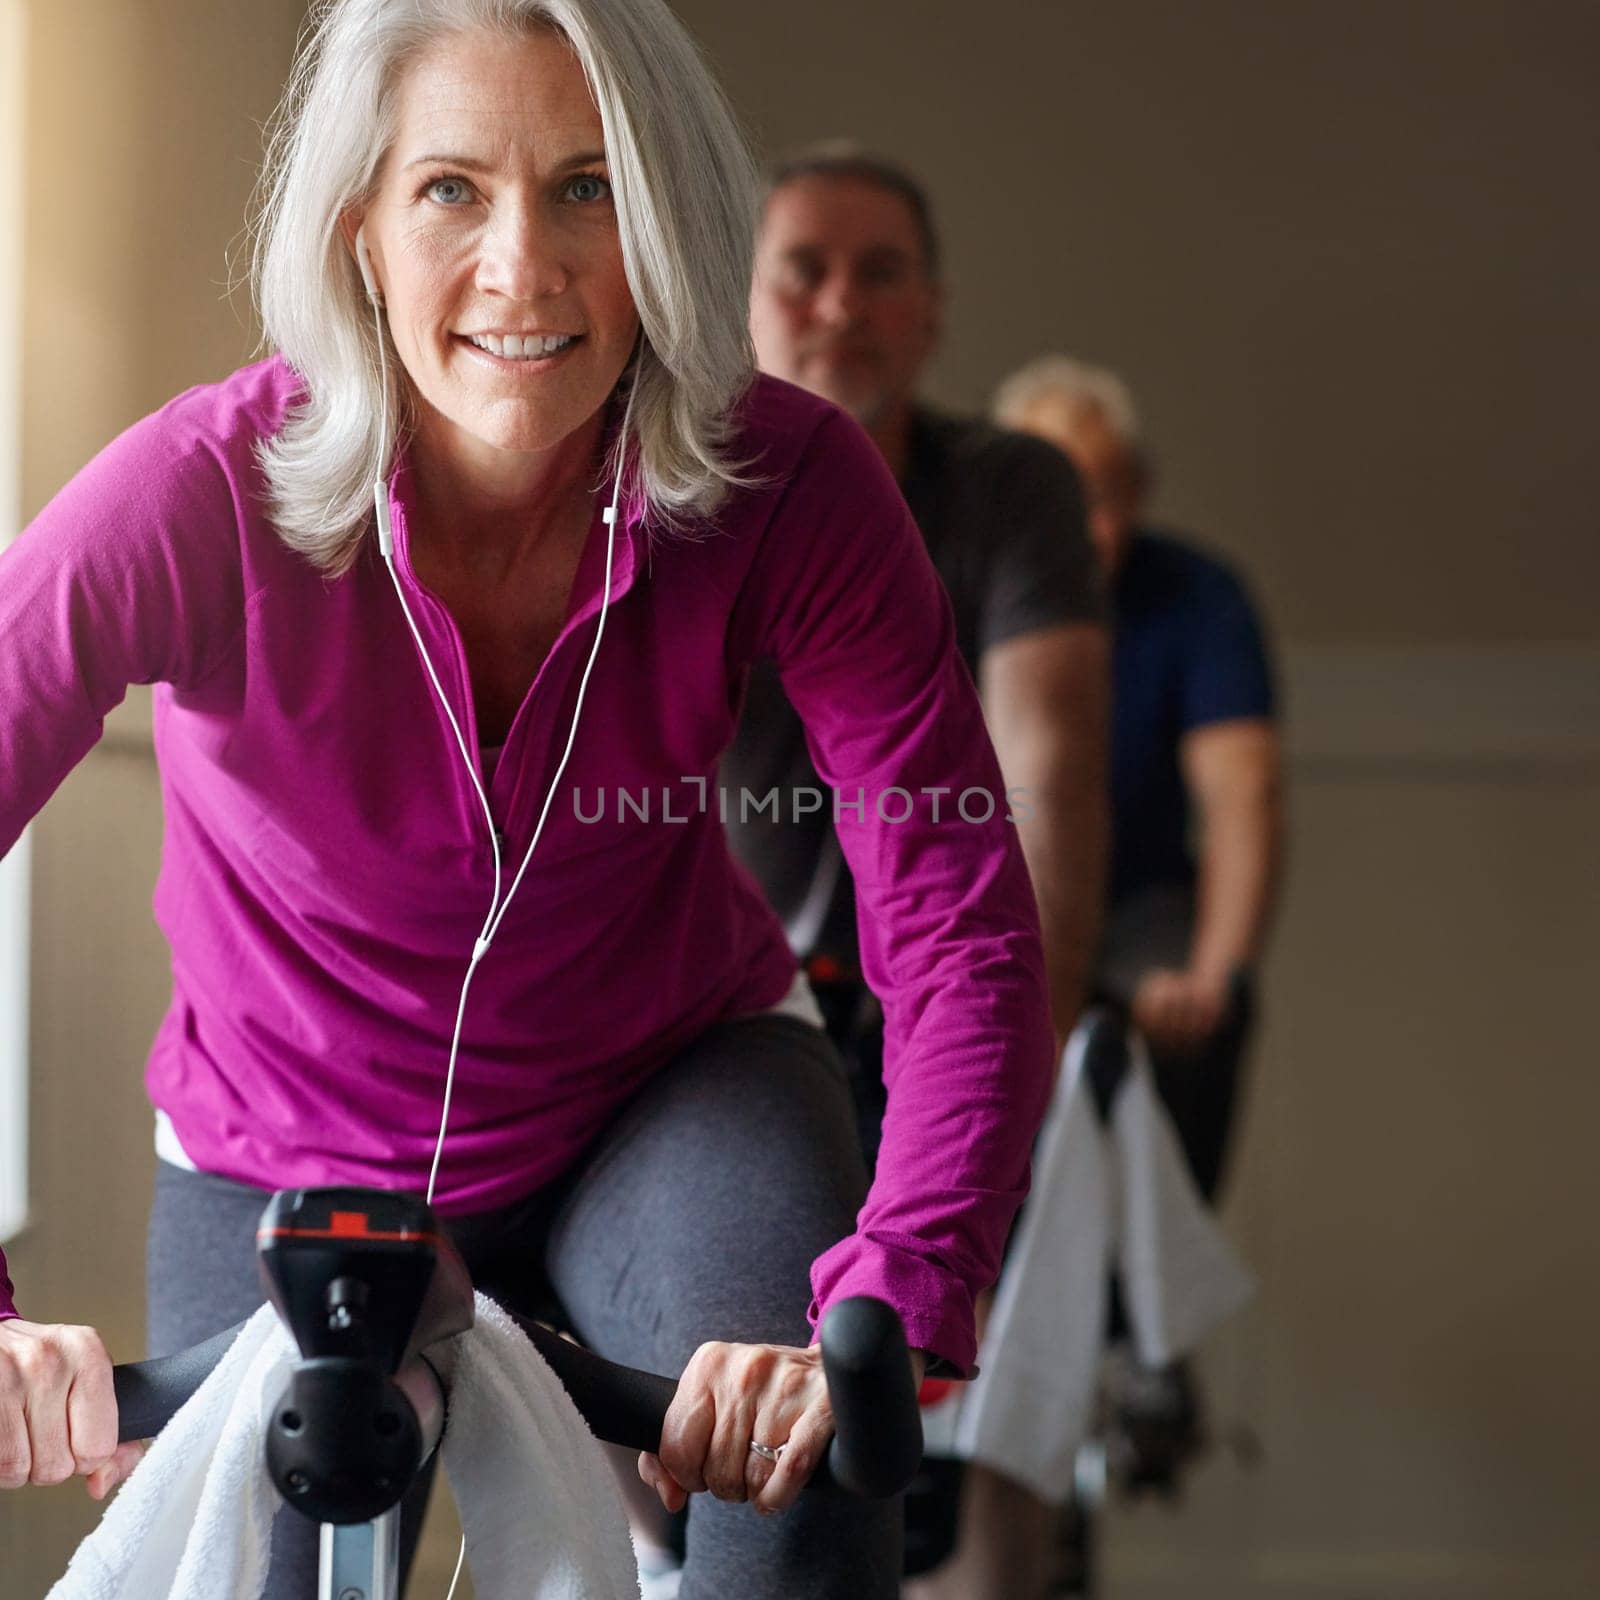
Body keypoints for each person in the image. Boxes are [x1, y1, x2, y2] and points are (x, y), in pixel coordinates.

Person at [0, 5, 1057, 1596]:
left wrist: (908, 1286)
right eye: (449, 190)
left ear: (671, 222)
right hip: (281, 1139)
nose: (524, 269)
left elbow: (956, 909)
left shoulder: (795, 484)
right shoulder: (195, 494)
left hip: (661, 1089)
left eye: (589, 188)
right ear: (357, 221)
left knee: (801, 1483)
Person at [717, 147, 1108, 1595]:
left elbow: (1047, 767)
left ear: (934, 309)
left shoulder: (1008, 488)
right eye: (804, 269)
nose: (842, 303)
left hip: (958, 977)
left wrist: (1026, 1075)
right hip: (727, 1008)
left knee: (981, 1431)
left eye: (881, 271)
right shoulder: (680, 480)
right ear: (742, 302)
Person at [993, 353, 1284, 1203]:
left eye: (1104, 498)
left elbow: (1244, 796)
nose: (1083, 530)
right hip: (983, 889)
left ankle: (1149, 1312)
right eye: (1055, 500)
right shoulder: (948, 576)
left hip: (1137, 906)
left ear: (1141, 491)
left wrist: (1212, 976)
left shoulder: (1198, 595)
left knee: (1184, 1041)